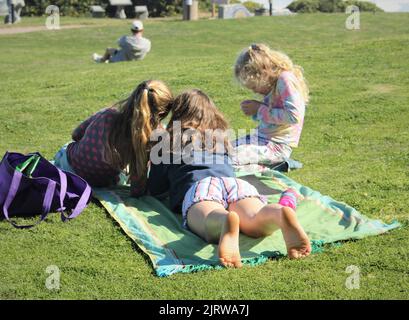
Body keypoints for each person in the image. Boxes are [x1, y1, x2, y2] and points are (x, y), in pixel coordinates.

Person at [147, 89, 311, 268]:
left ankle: (224, 220)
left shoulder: (169, 141)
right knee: (255, 218)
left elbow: (156, 188)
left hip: (201, 186)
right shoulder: (221, 139)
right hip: (235, 184)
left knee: (208, 216)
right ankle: (278, 214)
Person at [54, 80, 173, 197]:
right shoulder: (146, 139)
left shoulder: (107, 115)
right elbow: (137, 189)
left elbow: (76, 135)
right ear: (162, 113)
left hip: (67, 167)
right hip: (100, 183)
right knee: (123, 172)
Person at [233, 44, 309, 170]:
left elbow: (294, 116)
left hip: (277, 146)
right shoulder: (276, 84)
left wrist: (259, 109)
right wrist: (257, 109)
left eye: (254, 87)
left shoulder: (285, 79)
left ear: (263, 74)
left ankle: (274, 166)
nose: (255, 91)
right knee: (221, 152)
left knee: (231, 159)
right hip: (261, 138)